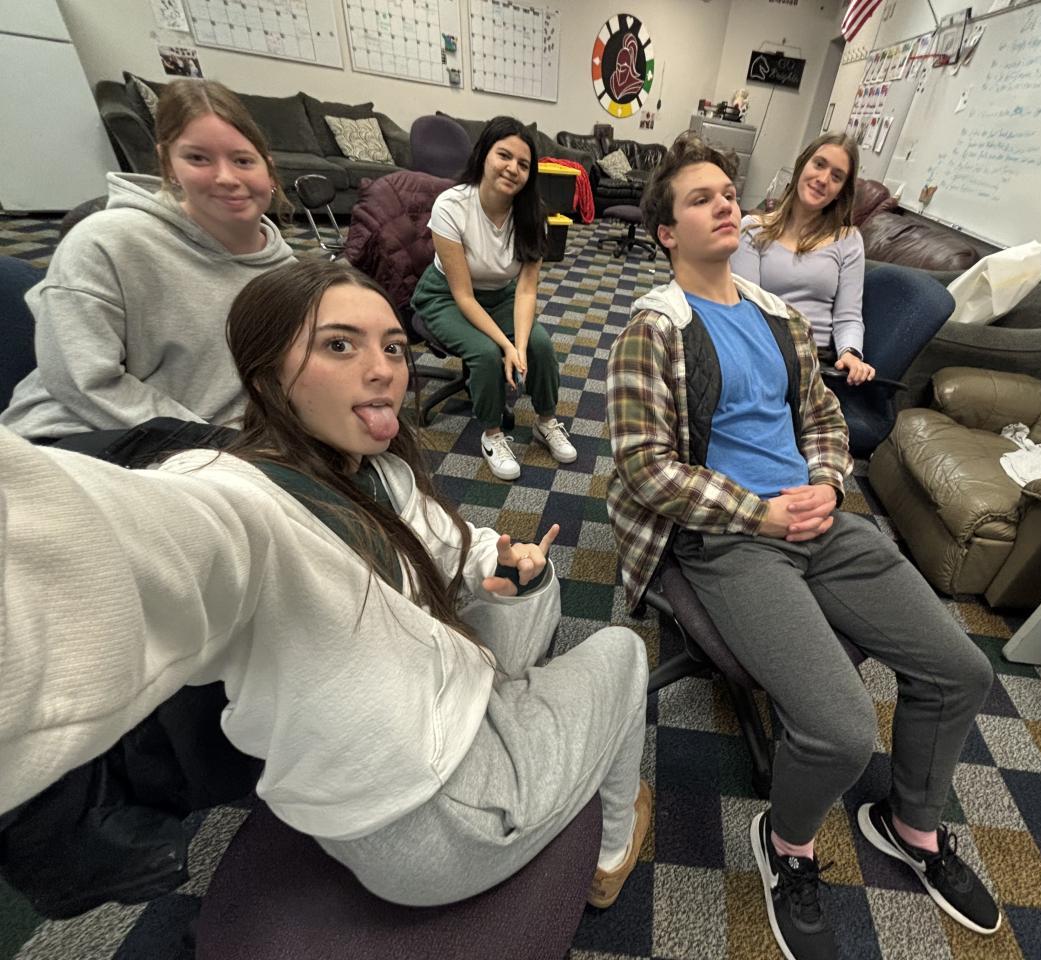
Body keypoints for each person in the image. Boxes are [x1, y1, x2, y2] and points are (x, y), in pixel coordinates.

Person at [0, 259, 650, 910]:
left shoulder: (375, 472)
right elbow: (96, 544)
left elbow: (447, 541)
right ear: (267, 376)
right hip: (439, 824)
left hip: (398, 755)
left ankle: (516, 710)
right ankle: (612, 851)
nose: (383, 370)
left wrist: (500, 564)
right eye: (339, 346)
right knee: (623, 653)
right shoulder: (233, 501)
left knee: (535, 590)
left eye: (392, 348)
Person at [606, 134, 999, 960]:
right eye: (701, 198)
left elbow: (823, 420)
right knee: (840, 730)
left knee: (962, 672)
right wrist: (760, 514)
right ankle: (786, 847)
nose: (724, 203)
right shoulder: (655, 329)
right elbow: (645, 469)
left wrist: (826, 481)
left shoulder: (777, 315)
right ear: (667, 232)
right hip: (731, 538)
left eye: (727, 192)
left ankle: (911, 825)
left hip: (821, 523)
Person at [1, 79, 295, 449]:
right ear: (168, 165)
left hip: (219, 447)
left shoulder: (288, 273)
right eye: (198, 158)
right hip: (86, 432)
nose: (226, 178)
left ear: (268, 170)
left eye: (242, 160)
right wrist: (214, 444)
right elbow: (83, 382)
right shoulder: (105, 241)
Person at [730, 133, 953, 455]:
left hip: (814, 359)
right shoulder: (753, 227)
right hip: (760, 349)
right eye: (819, 165)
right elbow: (747, 307)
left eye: (836, 177)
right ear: (802, 164)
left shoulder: (848, 240)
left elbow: (848, 315)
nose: (823, 179)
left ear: (841, 191)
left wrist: (850, 353)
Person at [411, 116, 576, 482]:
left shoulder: (534, 217)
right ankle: (492, 435)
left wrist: (521, 346)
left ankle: (546, 422)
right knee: (486, 353)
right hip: (447, 295)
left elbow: (526, 290)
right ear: (484, 154)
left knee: (541, 346)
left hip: (501, 294)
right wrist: (506, 345)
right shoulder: (452, 206)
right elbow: (463, 295)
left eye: (523, 164)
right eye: (504, 155)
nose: (513, 168)